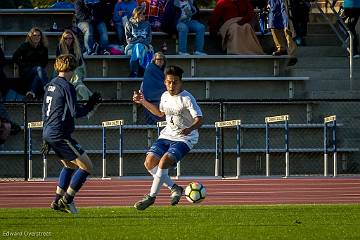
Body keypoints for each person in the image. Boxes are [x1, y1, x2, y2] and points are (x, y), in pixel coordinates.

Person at [132, 65, 203, 210]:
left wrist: (189, 129)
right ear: (165, 82)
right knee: (149, 163)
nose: (172, 85)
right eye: (169, 82)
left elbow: (199, 119)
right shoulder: (164, 96)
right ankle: (175, 188)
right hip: (167, 135)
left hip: (185, 138)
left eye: (175, 82)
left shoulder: (187, 98)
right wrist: (143, 101)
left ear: (180, 82)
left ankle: (151, 197)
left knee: (163, 161)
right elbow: (159, 114)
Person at [41, 54, 101, 214]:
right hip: (60, 133)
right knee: (87, 166)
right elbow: (75, 112)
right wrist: (90, 105)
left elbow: (45, 112)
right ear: (73, 69)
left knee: (69, 165)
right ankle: (66, 200)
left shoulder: (50, 85)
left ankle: (55, 201)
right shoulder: (67, 86)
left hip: (50, 131)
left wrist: (45, 136)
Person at [12, 27, 49, 100]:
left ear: (41, 37)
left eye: (39, 35)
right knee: (39, 69)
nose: (37, 37)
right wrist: (23, 65)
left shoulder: (43, 48)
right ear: (30, 37)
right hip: (26, 71)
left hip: (38, 72)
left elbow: (45, 62)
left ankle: (31, 93)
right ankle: (47, 88)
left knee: (38, 75)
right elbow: (15, 57)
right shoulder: (25, 46)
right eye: (34, 35)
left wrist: (39, 67)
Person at [56, 30, 93, 101]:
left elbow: (78, 62)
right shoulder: (60, 47)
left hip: (78, 68)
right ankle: (92, 97)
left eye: (70, 38)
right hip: (64, 69)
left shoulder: (77, 47)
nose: (68, 40)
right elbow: (59, 61)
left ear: (73, 39)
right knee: (79, 86)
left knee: (75, 76)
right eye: (66, 38)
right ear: (63, 39)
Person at [125, 5, 153, 77]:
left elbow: (149, 39)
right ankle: (141, 68)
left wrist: (139, 41)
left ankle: (134, 71)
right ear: (138, 14)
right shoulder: (129, 24)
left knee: (139, 46)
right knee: (138, 46)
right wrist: (140, 40)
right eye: (143, 13)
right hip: (131, 46)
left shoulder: (147, 24)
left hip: (145, 45)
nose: (145, 15)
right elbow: (128, 39)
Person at [268, 0, 298, 66]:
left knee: (288, 28)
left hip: (285, 4)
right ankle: (281, 48)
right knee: (273, 25)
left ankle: (292, 55)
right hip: (274, 4)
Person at [140, 52, 167, 124]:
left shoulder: (161, 71)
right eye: (158, 59)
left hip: (160, 101)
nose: (160, 61)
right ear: (154, 60)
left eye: (162, 59)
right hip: (151, 100)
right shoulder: (151, 69)